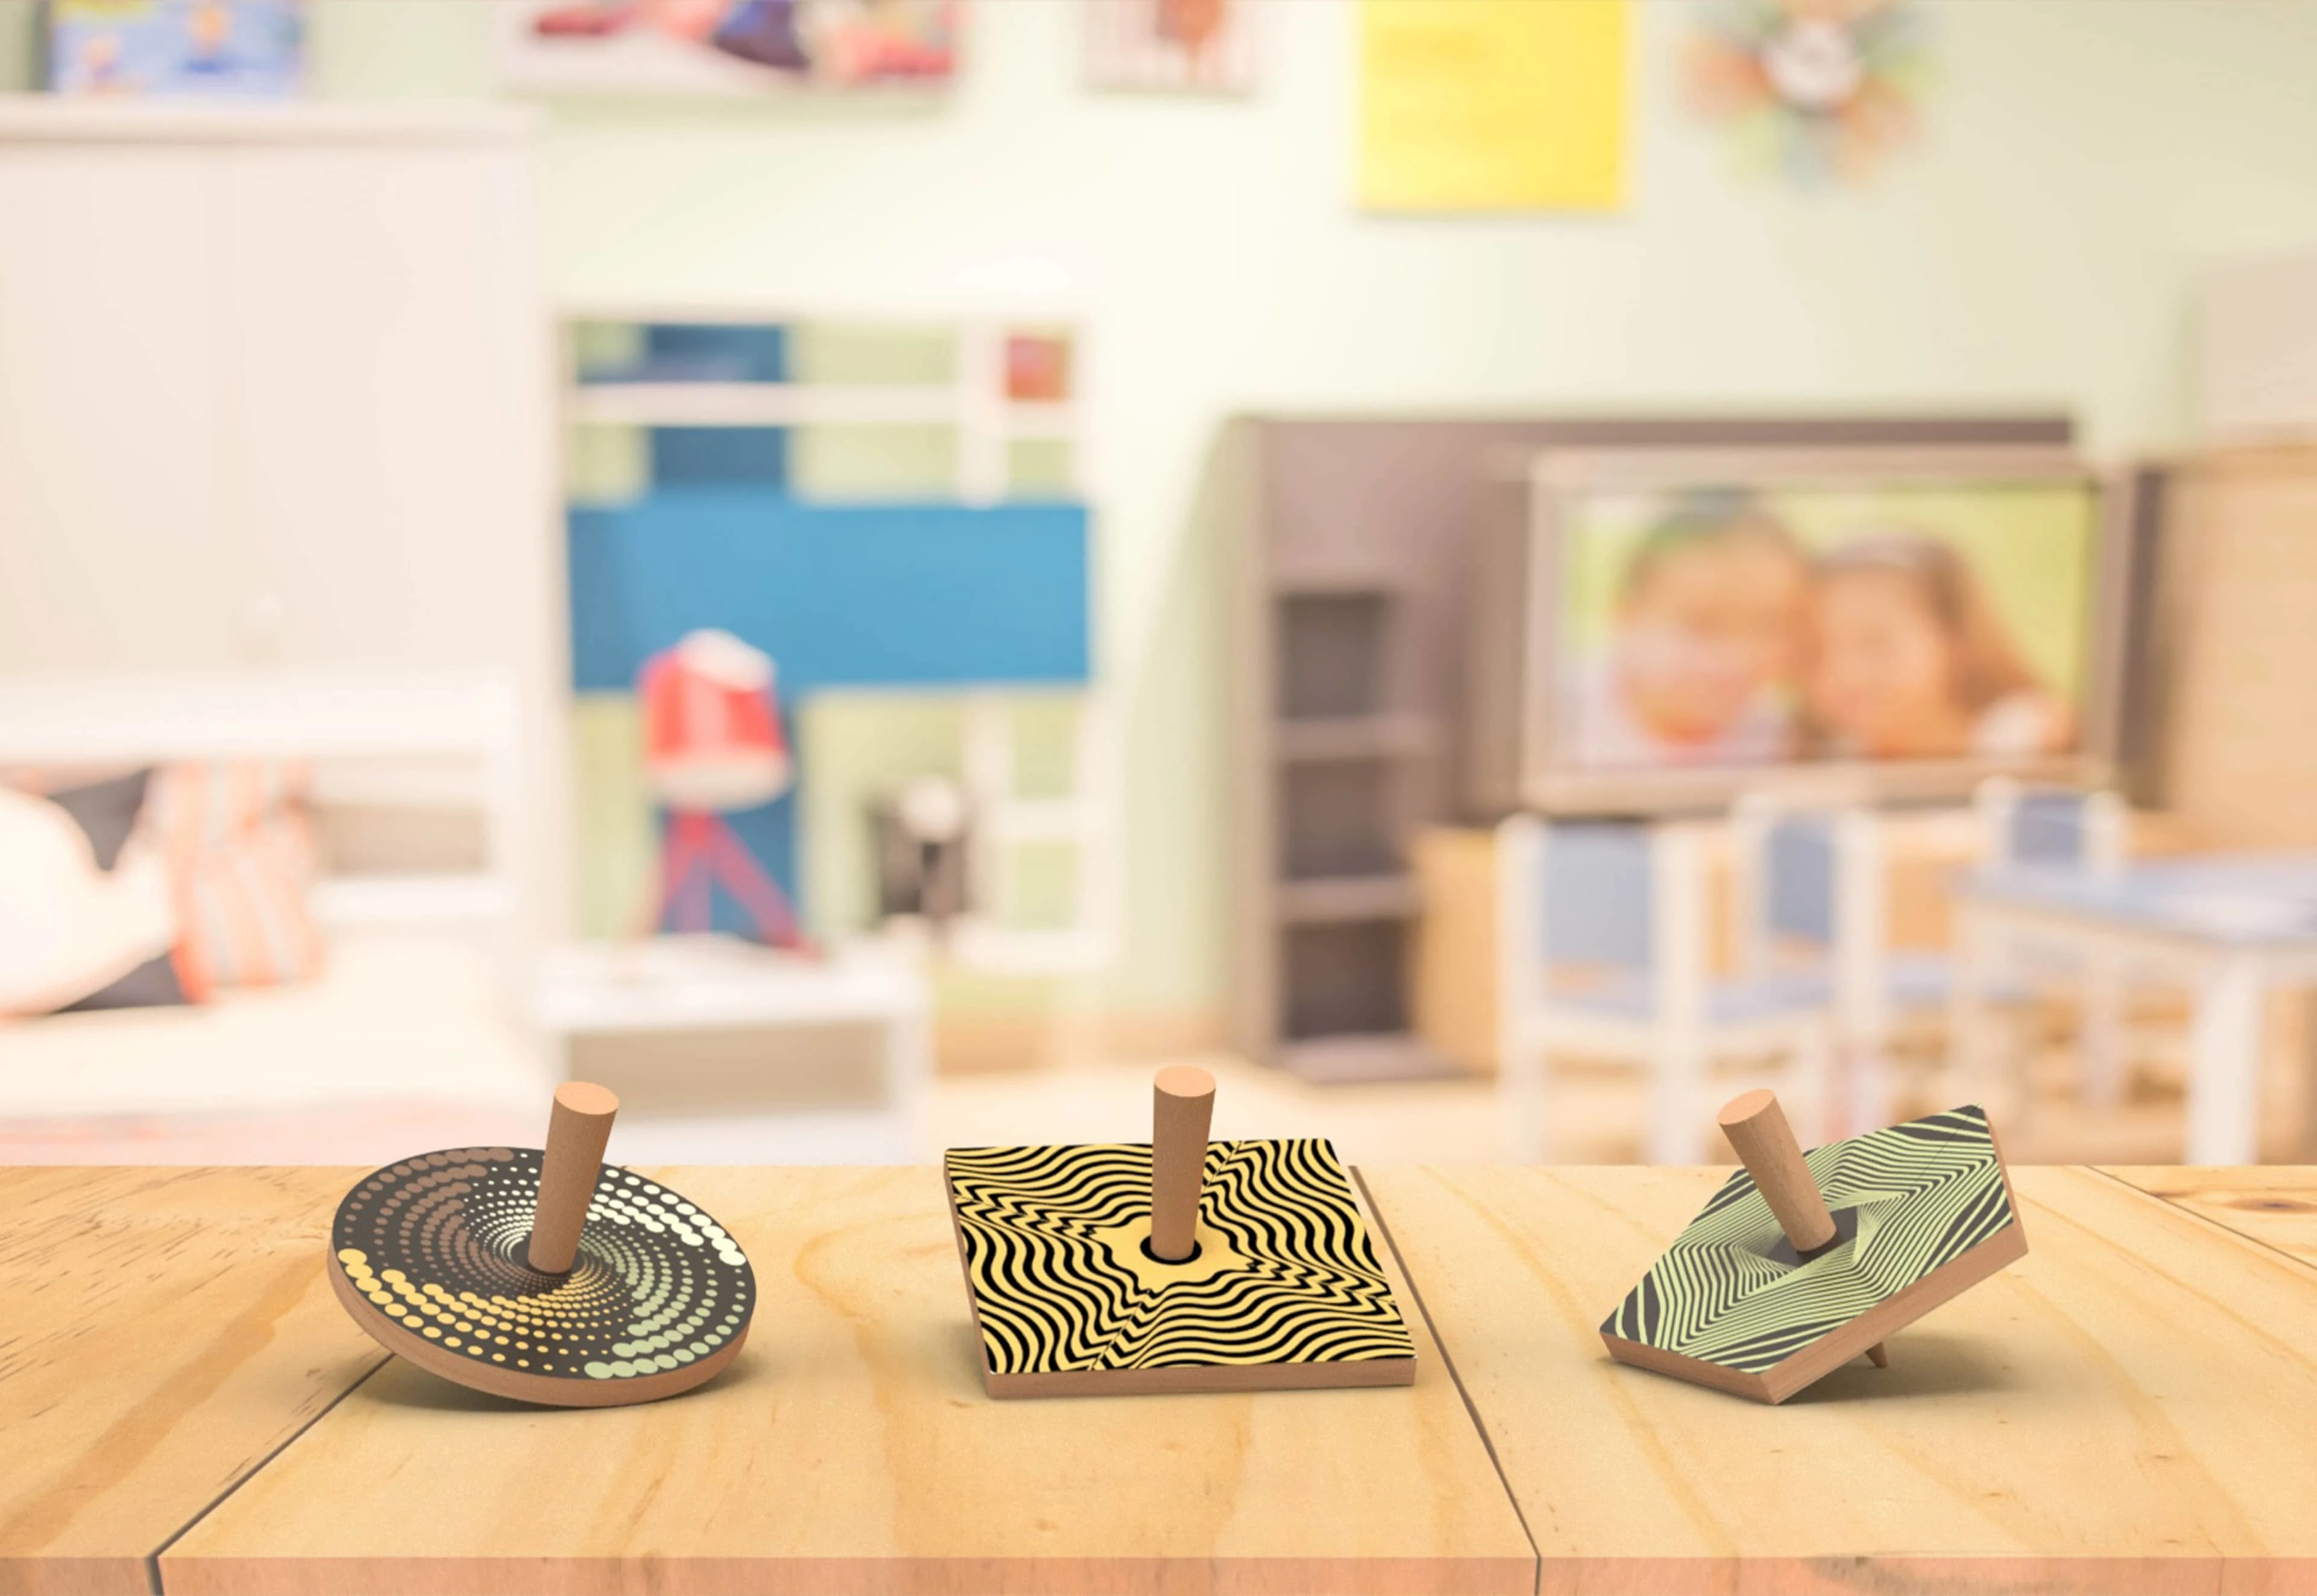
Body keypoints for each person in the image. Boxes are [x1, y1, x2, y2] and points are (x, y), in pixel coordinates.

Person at [1571, 493, 1807, 768]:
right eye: (1702, 624)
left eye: (1766, 625)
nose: (1736, 657)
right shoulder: (1555, 719)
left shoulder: (1783, 740)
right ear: (1626, 617)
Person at [1802, 532, 2073, 761]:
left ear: (1955, 639)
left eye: (1876, 642)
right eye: (1817, 651)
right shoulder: (1841, 757)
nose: (1846, 674)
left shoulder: (2025, 736)